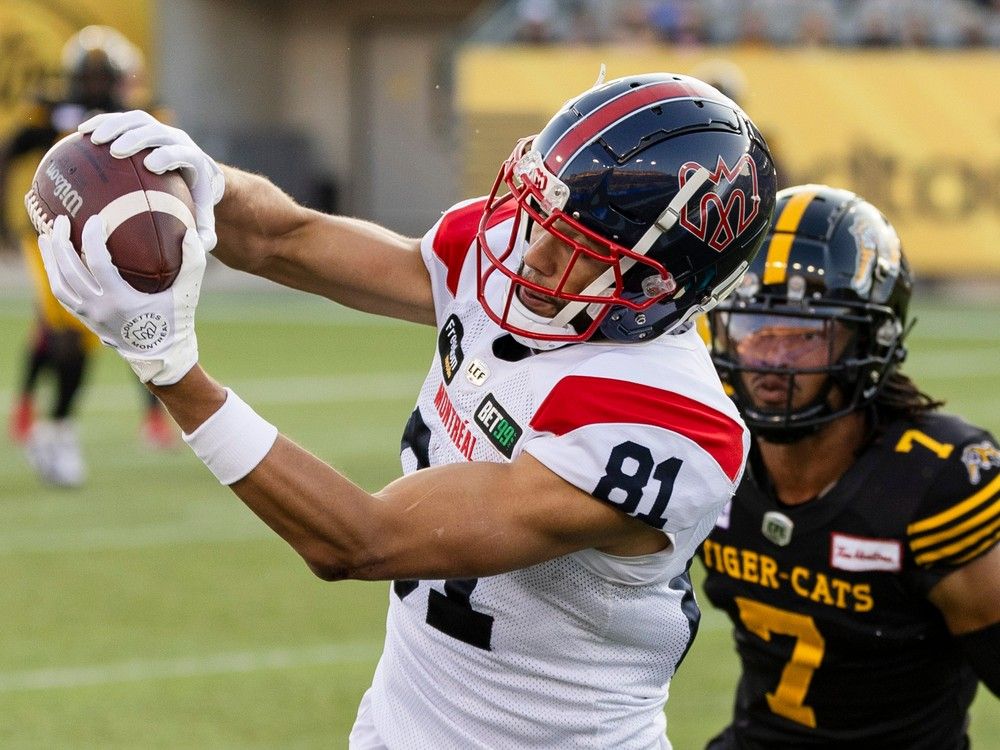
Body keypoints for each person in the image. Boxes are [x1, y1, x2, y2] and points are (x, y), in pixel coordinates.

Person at [35, 73, 777, 746]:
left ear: (665, 282)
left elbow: (363, 541)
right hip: (396, 724)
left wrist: (169, 369)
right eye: (540, 212)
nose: (533, 254)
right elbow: (286, 238)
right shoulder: (512, 249)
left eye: (578, 244)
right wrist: (200, 182)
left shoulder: (666, 422)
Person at [699, 184, 999, 749]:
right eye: (753, 330)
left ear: (872, 336)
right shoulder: (710, 454)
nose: (773, 362)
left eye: (805, 336)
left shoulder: (933, 484)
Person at [0, 25, 174, 487]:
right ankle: (56, 430)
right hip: (47, 232)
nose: (95, 85)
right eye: (90, 76)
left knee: (115, 330)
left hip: (104, 241)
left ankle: (56, 427)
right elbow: (10, 151)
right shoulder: (50, 109)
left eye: (102, 77)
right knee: (67, 329)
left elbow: (171, 164)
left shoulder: (141, 114)